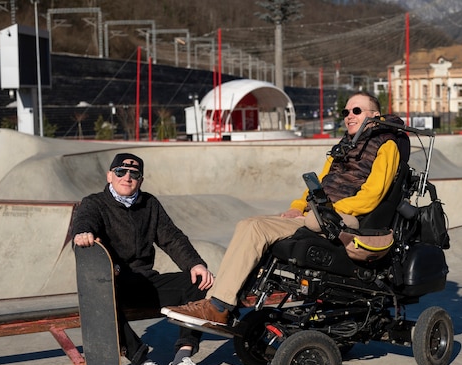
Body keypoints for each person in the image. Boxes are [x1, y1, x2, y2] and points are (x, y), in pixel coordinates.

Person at [163, 92, 410, 327]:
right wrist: (298, 207)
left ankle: (217, 307)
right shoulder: (344, 146)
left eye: (357, 110)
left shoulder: (387, 144)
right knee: (249, 225)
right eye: (346, 111)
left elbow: (372, 196)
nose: (349, 116)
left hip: (349, 220)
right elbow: (319, 186)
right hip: (321, 215)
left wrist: (329, 211)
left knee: (302, 223)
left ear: (375, 116)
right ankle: (217, 303)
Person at [72, 153, 217, 365]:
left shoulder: (149, 204)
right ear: (110, 176)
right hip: (114, 284)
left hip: (145, 282)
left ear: (140, 180)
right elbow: (85, 220)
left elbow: (172, 238)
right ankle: (144, 362)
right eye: (120, 172)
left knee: (197, 283)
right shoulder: (95, 203)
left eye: (134, 174)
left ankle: (181, 360)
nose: (127, 177)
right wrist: (83, 233)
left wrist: (195, 264)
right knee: (104, 298)